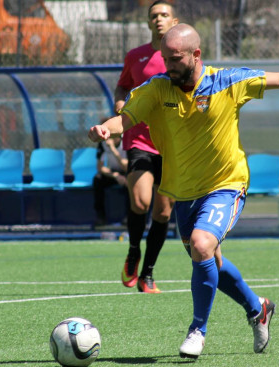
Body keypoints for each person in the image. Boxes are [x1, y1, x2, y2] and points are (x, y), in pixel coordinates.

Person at [88, 24, 279, 359]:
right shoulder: (157, 87)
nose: (168, 65)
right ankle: (258, 308)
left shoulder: (227, 81)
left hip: (226, 185)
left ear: (196, 55)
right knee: (210, 260)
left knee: (201, 245)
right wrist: (107, 127)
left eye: (175, 58)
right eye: (165, 58)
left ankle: (197, 331)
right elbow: (127, 117)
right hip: (183, 193)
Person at [114, 0, 178, 294]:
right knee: (140, 202)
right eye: (154, 15)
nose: (159, 19)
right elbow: (123, 87)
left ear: (174, 21)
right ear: (148, 22)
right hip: (140, 140)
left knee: (163, 213)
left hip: (173, 144)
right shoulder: (136, 56)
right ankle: (132, 250)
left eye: (164, 14)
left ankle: (148, 274)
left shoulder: (182, 57)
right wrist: (120, 104)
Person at [93, 136, 128, 226]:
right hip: (113, 174)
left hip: (127, 172)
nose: (110, 139)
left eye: (114, 135)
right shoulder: (102, 143)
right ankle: (101, 217)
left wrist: (112, 148)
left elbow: (125, 167)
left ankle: (129, 217)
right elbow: (100, 167)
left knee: (130, 182)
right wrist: (115, 176)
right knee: (97, 179)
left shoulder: (128, 141)